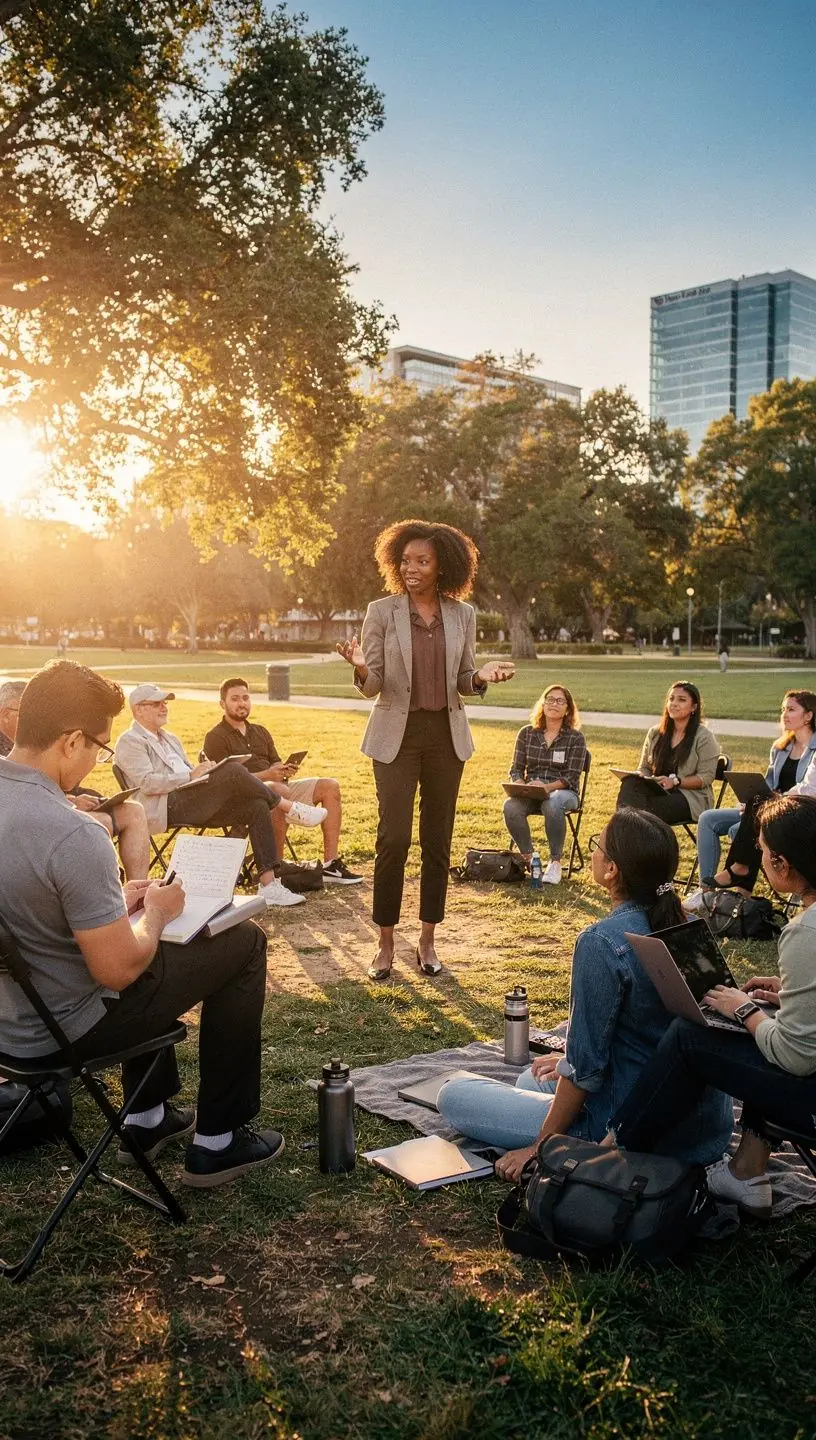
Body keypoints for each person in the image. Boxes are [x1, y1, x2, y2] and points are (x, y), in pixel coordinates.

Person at [0, 661, 285, 1187]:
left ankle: (147, 1117)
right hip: (66, 1030)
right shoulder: (72, 831)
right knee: (242, 942)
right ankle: (219, 1140)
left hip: (8, 1027)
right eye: (99, 748)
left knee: (156, 947)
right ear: (71, 741)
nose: (97, 761)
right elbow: (120, 969)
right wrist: (154, 912)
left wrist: (117, 903)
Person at [438, 808, 733, 1180]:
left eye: (598, 846)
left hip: (624, 1135)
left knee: (453, 1094)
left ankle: (561, 1131)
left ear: (611, 870)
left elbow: (584, 1072)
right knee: (531, 1079)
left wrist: (540, 1147)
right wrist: (567, 1061)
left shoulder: (602, 942)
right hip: (706, 1133)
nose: (593, 852)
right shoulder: (690, 925)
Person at [608, 793, 816, 1219]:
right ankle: (746, 1173)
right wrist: (794, 995)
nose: (758, 858)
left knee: (689, 1037)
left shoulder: (805, 933)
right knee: (766, 1023)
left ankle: (613, 1155)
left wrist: (745, 1010)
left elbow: (794, 1056)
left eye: (761, 851)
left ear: (782, 864)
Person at [336, 519, 514, 979]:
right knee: (393, 839)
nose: (410, 568)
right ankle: (384, 943)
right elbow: (373, 683)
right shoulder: (381, 611)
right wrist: (360, 667)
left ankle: (428, 940)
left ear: (443, 566)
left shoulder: (462, 615)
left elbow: (463, 679)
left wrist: (481, 677)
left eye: (422, 561)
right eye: (405, 560)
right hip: (396, 737)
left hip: (444, 738)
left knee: (437, 841)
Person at [114, 685, 327, 908]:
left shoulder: (170, 739)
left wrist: (206, 771)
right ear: (139, 709)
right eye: (157, 704)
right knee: (232, 771)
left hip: (192, 799)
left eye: (165, 703)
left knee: (256, 804)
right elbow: (147, 783)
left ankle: (269, 885)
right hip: (166, 806)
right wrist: (190, 775)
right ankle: (290, 808)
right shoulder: (130, 741)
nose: (164, 708)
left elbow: (189, 774)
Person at [203, 678, 362, 884]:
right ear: (222, 704)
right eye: (235, 699)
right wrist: (268, 776)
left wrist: (283, 770)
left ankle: (331, 865)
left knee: (329, 786)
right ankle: (274, 866)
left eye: (245, 698)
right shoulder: (215, 737)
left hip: (279, 786)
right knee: (277, 790)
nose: (242, 703)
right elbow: (226, 780)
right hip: (244, 797)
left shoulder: (260, 731)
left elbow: (275, 761)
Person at [1, 677, 151, 880]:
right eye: (25, 714)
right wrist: (70, 802)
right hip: (54, 821)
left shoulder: (37, 750)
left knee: (133, 811)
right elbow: (26, 794)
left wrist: (71, 800)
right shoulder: (24, 755)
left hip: (62, 810)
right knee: (92, 828)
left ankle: (139, 885)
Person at [697, 690, 816, 897]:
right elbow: (767, 784)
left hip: (795, 812)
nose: (784, 714)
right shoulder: (781, 747)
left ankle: (740, 887)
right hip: (766, 807)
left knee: (739, 829)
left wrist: (775, 800)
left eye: (791, 709)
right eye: (783, 709)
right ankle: (705, 892)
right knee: (708, 818)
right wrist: (749, 801)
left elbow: (808, 790)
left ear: (808, 716)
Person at [502, 684, 586, 885]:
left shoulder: (575, 738)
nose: (554, 704)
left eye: (560, 701)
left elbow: (571, 777)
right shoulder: (527, 733)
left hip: (564, 792)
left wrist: (547, 788)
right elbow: (516, 768)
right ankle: (531, 860)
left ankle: (555, 862)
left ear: (568, 708)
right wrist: (521, 785)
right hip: (532, 791)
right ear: (543, 704)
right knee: (510, 806)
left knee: (552, 803)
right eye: (550, 699)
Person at [615, 681, 719, 826]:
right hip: (658, 789)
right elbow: (644, 767)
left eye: (681, 700)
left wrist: (676, 782)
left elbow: (706, 777)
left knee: (642, 811)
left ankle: (623, 834)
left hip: (689, 797)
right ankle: (625, 832)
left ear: (694, 707)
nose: (674, 704)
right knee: (630, 784)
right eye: (671, 699)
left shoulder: (704, 737)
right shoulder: (655, 733)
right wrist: (643, 777)